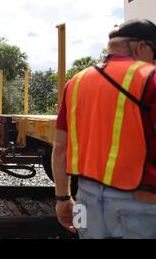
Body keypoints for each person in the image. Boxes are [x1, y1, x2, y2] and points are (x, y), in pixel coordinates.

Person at [52, 19, 156, 239]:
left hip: (84, 199)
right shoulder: (150, 77)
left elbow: (60, 148)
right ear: (140, 47)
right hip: (141, 205)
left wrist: (62, 199)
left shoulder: (75, 82)